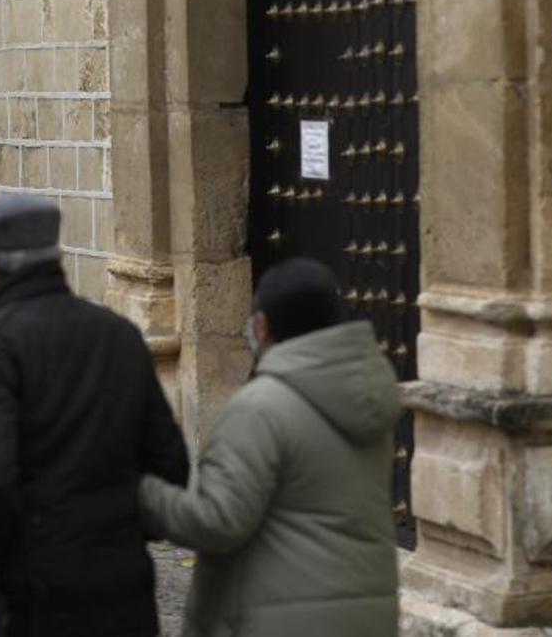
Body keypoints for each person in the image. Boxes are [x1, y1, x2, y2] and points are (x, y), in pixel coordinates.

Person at [0, 195, 189, 637]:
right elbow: (170, 466)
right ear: (56, 259)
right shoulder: (119, 336)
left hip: (31, 594)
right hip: (121, 585)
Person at [139, 257, 401, 637]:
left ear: (262, 325)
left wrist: (143, 492)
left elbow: (217, 521)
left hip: (282, 617)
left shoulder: (260, 406)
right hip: (366, 612)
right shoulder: (368, 391)